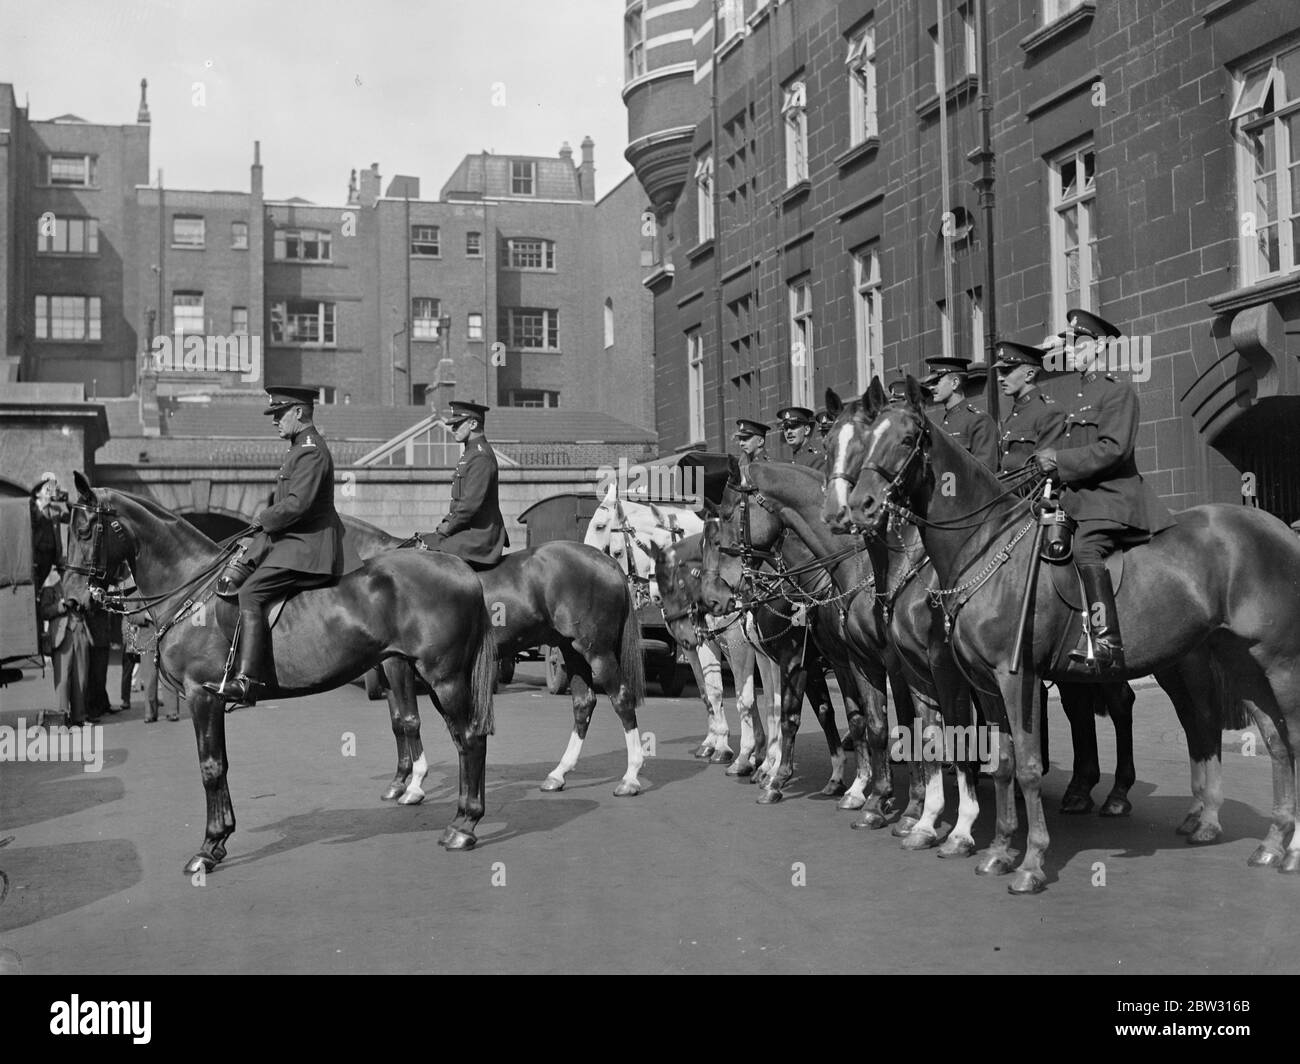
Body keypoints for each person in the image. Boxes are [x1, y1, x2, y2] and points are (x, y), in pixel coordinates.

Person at [1032, 309, 1175, 673]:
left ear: (1098, 348)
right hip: (1080, 500)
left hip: (1111, 500)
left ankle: (1104, 638)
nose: (1072, 351)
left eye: (1079, 344)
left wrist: (1059, 460)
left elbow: (1114, 449)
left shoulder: (1118, 391)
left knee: (1085, 549)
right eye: (1069, 345)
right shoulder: (1077, 395)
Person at [203, 386, 345, 704]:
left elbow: (297, 506)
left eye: (279, 413)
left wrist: (263, 518)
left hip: (307, 547)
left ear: (299, 412)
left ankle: (247, 681)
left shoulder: (309, 449)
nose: (274, 420)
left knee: (251, 594)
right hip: (294, 542)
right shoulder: (299, 448)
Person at [421, 401, 509, 570]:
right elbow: (459, 502)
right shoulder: (470, 454)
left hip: (479, 535)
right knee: (422, 543)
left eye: (457, 425)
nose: (453, 429)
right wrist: (446, 522)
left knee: (428, 558)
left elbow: (470, 505)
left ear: (473, 424)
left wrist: (449, 527)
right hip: (466, 530)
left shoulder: (480, 457)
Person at [993, 340, 1064, 473]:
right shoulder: (1013, 416)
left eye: (1006, 371)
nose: (1000, 378)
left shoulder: (1049, 411)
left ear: (1029, 374)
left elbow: (1042, 471)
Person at [921, 356, 1000, 473]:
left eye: (936, 382)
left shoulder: (979, 420)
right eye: (931, 383)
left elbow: (985, 473)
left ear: (955, 383)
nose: (932, 387)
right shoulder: (943, 424)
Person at [776, 406, 825, 472]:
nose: (789, 431)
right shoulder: (791, 461)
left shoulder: (816, 459)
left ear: (806, 430)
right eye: (786, 428)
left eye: (793, 426)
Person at [732, 417, 770, 484]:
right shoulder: (742, 461)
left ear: (760, 441)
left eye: (745, 439)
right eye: (740, 439)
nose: (741, 444)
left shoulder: (766, 466)